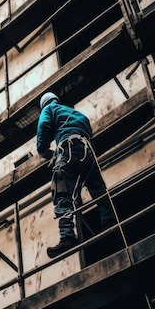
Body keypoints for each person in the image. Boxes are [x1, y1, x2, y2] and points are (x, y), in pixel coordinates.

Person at [36, 92, 115, 258]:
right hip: (87, 151)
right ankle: (109, 222)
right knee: (98, 189)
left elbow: (43, 125)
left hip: (69, 146)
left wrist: (43, 149)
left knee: (61, 186)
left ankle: (67, 236)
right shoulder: (77, 114)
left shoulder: (49, 108)